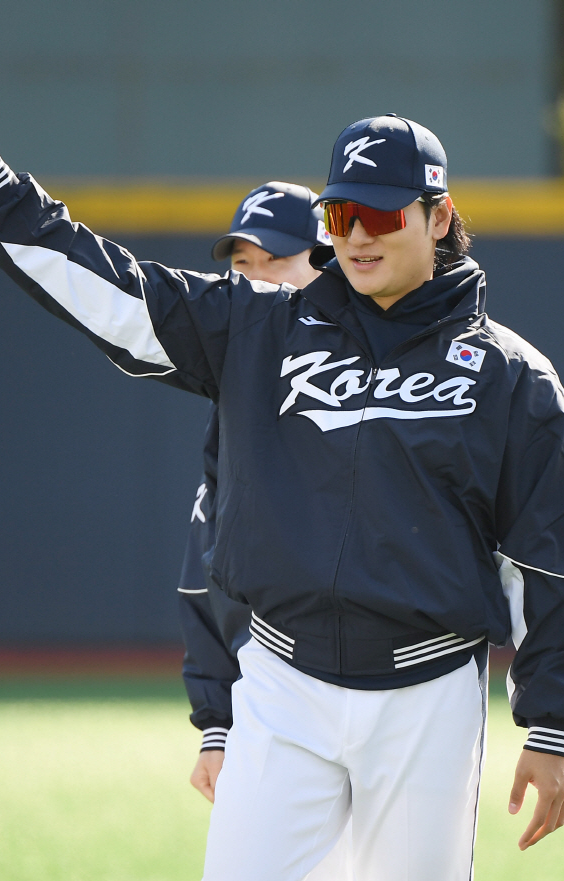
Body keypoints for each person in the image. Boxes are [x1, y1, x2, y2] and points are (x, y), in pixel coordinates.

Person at [0, 65, 564, 881]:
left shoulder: (512, 375)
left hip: (427, 690)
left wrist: (552, 727)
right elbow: (118, 292)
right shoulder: (260, 326)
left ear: (439, 215)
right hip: (283, 683)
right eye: (340, 214)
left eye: (382, 213)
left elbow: (552, 559)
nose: (358, 234)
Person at [178, 183, 353, 881]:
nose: (254, 280)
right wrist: (215, 722)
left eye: (274, 261)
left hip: (395, 692)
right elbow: (205, 576)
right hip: (274, 697)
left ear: (324, 260)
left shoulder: (385, 374)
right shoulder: (238, 391)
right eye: (241, 264)